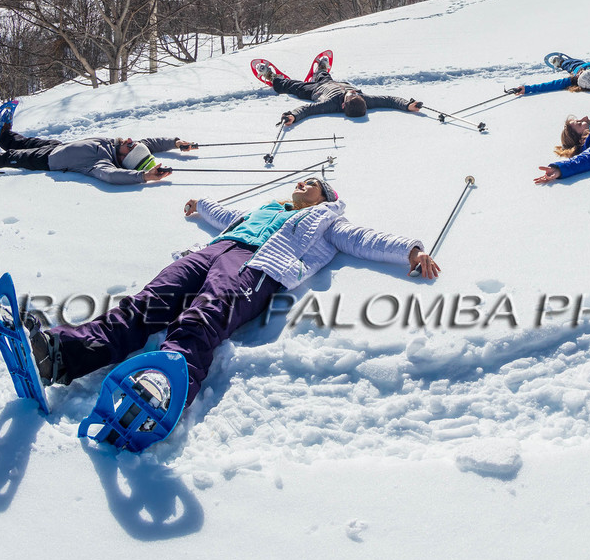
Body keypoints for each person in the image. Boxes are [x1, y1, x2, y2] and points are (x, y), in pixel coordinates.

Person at [22, 176, 441, 410]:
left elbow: (363, 238)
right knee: (148, 302)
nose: (302, 183)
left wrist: (411, 250)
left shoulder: (325, 221)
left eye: (312, 183)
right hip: (213, 250)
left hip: (256, 265)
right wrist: (201, 205)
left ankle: (166, 382)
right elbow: (227, 215)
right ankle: (64, 353)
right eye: (303, 180)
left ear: (327, 198)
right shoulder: (269, 208)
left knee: (205, 314)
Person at [0, 120, 197, 184]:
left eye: (131, 146)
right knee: (28, 142)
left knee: (8, 158)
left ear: (124, 158)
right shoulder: (117, 146)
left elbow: (111, 176)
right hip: (58, 146)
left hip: (49, 161)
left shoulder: (102, 163)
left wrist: (144, 176)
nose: (131, 140)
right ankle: (5, 137)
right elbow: (151, 142)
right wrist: (175, 142)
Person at [253, 54, 424, 126]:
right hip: (332, 82)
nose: (354, 92)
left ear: (343, 106)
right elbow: (389, 100)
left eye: (351, 95)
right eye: (356, 94)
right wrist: (407, 105)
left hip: (316, 89)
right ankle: (321, 69)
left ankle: (272, 77)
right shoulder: (366, 100)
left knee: (292, 86)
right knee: (323, 75)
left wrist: (293, 116)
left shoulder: (330, 104)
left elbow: (307, 109)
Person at [510, 47, 590, 96]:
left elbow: (551, 85)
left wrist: (527, 89)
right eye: (583, 72)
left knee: (572, 65)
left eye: (580, 74)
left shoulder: (573, 79)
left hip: (579, 65)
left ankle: (561, 62)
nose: (581, 72)